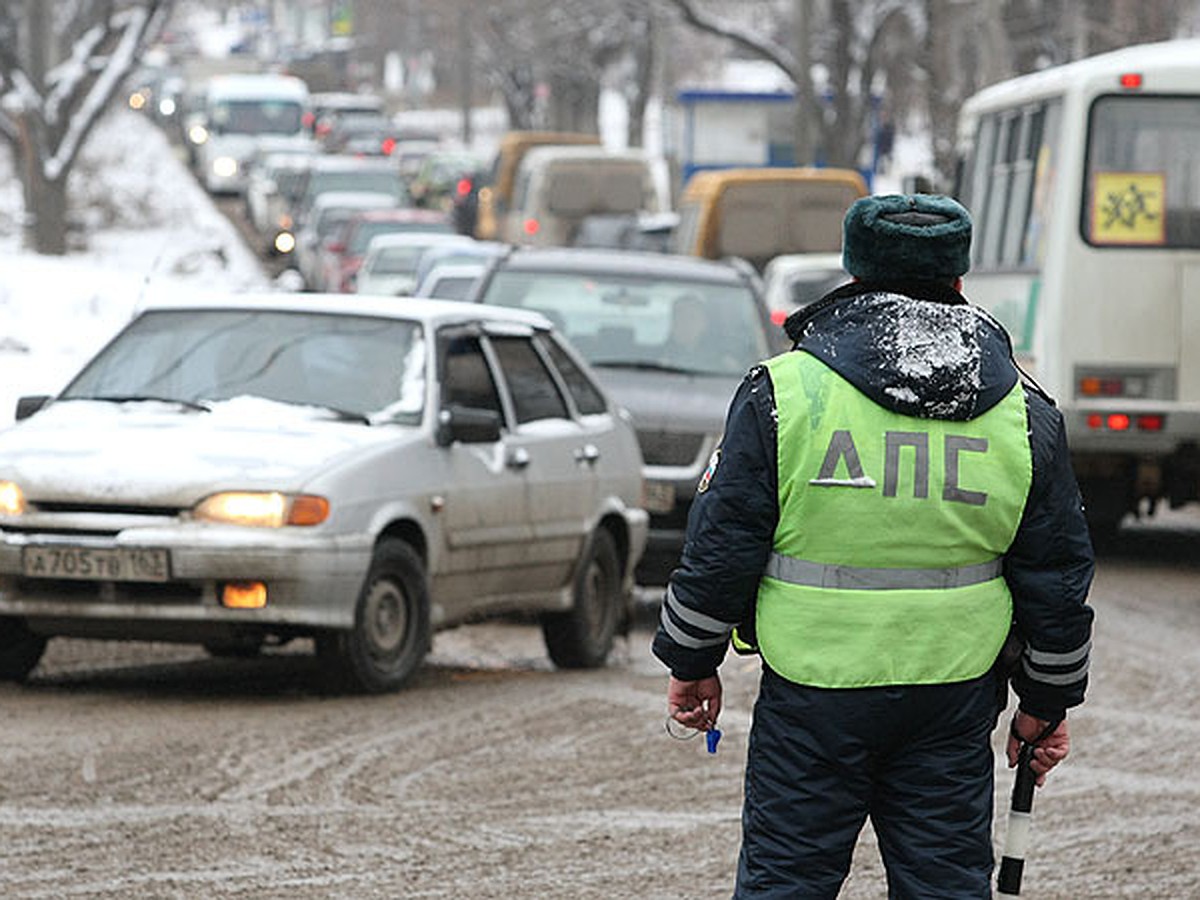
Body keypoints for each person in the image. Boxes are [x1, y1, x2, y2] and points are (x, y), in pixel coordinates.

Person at [653, 193, 1095, 898]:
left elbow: (722, 546)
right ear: (958, 280)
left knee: (786, 885)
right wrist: (1047, 701)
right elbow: (1058, 575)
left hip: (812, 694)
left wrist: (692, 659)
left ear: (852, 273)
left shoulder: (784, 393)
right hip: (951, 698)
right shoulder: (1022, 412)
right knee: (945, 886)